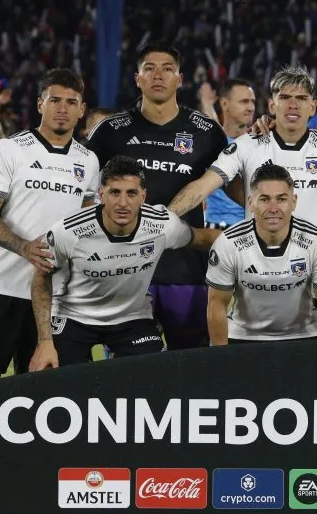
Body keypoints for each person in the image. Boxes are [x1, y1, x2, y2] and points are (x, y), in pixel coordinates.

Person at [0, 68, 100, 385]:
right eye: (54, 100)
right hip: (0, 289)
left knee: (44, 389)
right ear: (39, 104)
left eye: (70, 102)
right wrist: (24, 248)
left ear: (81, 109)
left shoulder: (89, 161)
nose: (62, 108)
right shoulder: (9, 150)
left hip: (56, 297)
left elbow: (88, 224)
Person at [86, 43, 227, 351]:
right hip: (126, 271)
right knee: (126, 370)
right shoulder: (110, 131)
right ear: (138, 78)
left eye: (167, 69)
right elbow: (80, 191)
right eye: (149, 68)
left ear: (180, 79)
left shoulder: (206, 132)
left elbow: (239, 188)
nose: (158, 75)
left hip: (186, 271)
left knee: (189, 368)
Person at [28, 157, 220, 370]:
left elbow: (202, 238)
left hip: (131, 316)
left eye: (131, 193)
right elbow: (40, 278)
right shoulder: (69, 232)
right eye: (114, 192)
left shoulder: (162, 225)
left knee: (155, 375)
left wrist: (248, 243)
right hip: (73, 316)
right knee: (58, 379)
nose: (123, 203)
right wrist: (44, 341)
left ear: (143, 196)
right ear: (101, 194)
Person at [169, 65, 317, 234]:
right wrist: (165, 217)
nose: (293, 104)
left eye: (301, 98)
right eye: (285, 97)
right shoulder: (247, 145)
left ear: (313, 107)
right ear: (273, 105)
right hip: (256, 276)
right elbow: (202, 186)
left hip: (314, 280)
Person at [205, 164, 317, 344]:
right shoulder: (228, 244)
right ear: (251, 203)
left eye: (282, 199)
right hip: (243, 337)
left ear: (294, 202)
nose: (273, 208)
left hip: (304, 336)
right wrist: (221, 358)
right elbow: (216, 305)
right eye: (264, 199)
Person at [201, 79, 255, 231]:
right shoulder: (211, 143)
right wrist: (207, 104)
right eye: (244, 101)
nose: (250, 107)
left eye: (252, 101)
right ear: (224, 104)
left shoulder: (259, 145)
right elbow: (214, 131)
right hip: (215, 228)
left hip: (249, 230)